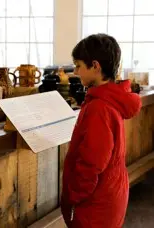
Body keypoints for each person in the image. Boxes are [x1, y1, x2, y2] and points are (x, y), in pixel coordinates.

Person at [61, 33, 142, 227]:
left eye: (79, 66)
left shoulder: (99, 108)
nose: (76, 72)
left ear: (95, 66)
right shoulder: (109, 100)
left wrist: (74, 196)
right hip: (110, 193)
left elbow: (91, 163)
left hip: (95, 203)